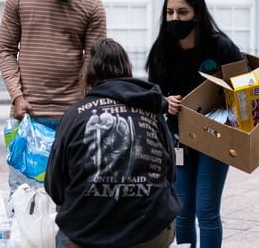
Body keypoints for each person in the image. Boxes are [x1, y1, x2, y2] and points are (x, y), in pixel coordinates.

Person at [145, 0, 259, 248]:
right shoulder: (161, 50)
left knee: (206, 211)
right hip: (178, 139)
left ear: (197, 13)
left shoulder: (220, 46)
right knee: (182, 212)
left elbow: (245, 82)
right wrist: (165, 103)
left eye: (182, 12)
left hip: (216, 136)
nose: (175, 19)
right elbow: (153, 93)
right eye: (170, 13)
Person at [45, 38, 181, 248]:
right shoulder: (152, 111)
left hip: (88, 234)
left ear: (88, 74)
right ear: (127, 69)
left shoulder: (74, 115)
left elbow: (55, 186)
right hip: (149, 232)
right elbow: (170, 174)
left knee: (62, 235)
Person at [0, 0, 106, 192]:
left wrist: (84, 103)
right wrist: (17, 96)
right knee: (23, 197)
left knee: (67, 198)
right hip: (27, 116)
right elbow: (6, 49)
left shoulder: (92, 5)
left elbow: (94, 60)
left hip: (72, 120)